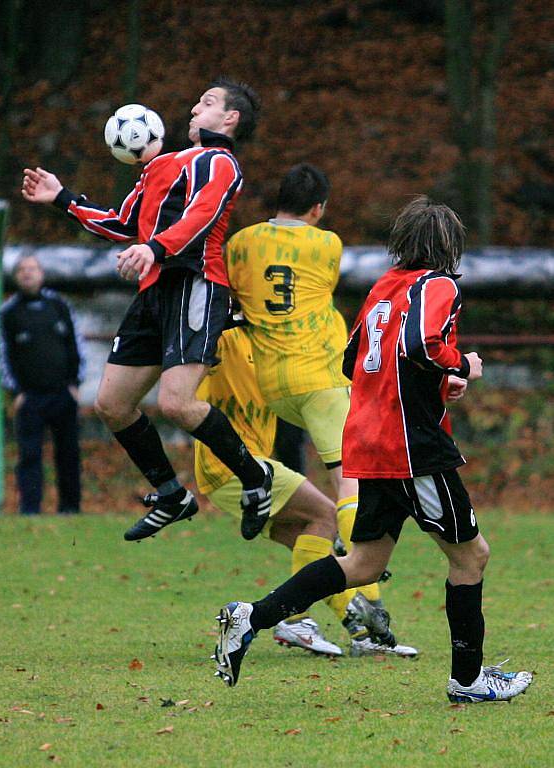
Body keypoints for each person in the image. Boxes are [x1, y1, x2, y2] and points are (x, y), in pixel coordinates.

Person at [212, 196, 533, 704]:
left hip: (370, 441)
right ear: (449, 245)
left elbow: (352, 363)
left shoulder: (385, 288)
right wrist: (462, 365)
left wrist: (435, 384)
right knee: (472, 557)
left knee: (362, 563)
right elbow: (422, 345)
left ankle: (252, 616)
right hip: (412, 448)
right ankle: (468, 681)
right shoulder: (438, 284)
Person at [21, 78, 273, 541]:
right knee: (112, 404)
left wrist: (155, 249)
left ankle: (256, 478)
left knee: (177, 403)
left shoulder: (221, 162)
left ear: (230, 119)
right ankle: (172, 495)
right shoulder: (165, 165)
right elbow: (123, 224)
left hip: (195, 283)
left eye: (209, 102)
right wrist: (62, 198)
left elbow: (203, 213)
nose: (195, 108)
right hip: (155, 290)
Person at [195, 320, 417, 657]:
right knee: (327, 515)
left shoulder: (272, 347)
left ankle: (362, 633)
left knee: (314, 547)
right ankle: (296, 621)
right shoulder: (220, 337)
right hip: (232, 466)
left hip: (245, 466)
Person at [226, 163, 360, 561]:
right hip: (321, 376)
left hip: (271, 382)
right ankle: (364, 578)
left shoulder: (240, 243)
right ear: (318, 208)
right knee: (350, 480)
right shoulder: (327, 244)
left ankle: (333, 552)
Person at [0, 255, 85, 515]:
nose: (28, 273)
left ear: (41, 273)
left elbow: (76, 344)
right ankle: (30, 509)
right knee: (29, 456)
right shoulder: (9, 312)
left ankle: (70, 508)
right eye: (22, 270)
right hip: (30, 398)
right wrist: (16, 391)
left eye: (32, 268)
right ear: (16, 277)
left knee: (68, 454)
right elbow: (2, 355)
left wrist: (75, 384)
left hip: (63, 394)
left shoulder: (59, 306)